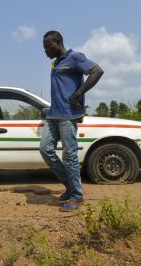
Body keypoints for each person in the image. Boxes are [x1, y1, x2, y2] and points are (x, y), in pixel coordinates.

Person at [39, 30, 104, 211]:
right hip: (54, 114)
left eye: (47, 46)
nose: (45, 51)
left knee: (69, 155)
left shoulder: (75, 57)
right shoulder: (55, 63)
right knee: (45, 149)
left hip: (69, 114)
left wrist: (78, 94)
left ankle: (77, 195)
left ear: (58, 42)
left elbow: (97, 71)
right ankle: (70, 185)